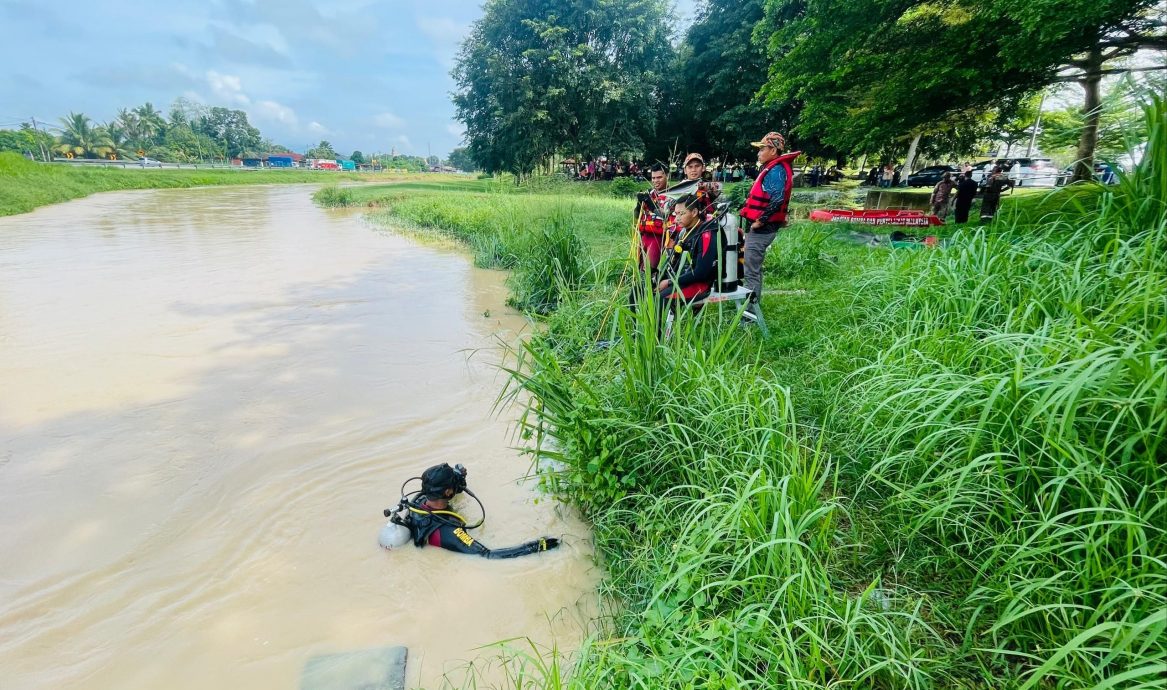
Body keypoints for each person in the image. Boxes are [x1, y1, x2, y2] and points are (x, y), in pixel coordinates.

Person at [383, 463, 560, 559]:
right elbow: (488, 554)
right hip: (443, 530)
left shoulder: (418, 501)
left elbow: (450, 493)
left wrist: (460, 479)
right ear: (447, 492)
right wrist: (536, 546)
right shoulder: (450, 531)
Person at [739, 131, 800, 302]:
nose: (759, 153)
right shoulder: (774, 168)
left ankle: (749, 314)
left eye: (761, 149)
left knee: (751, 271)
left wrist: (760, 221)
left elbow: (778, 198)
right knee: (754, 268)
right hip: (763, 227)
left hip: (762, 229)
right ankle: (750, 306)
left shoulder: (775, 170)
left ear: (773, 151)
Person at [657, 193, 719, 306]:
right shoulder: (683, 232)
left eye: (681, 214)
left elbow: (701, 272)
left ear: (694, 212)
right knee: (639, 290)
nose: (676, 219)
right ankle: (637, 324)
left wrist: (669, 282)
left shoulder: (706, 235)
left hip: (700, 283)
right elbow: (673, 261)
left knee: (661, 298)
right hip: (681, 277)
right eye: (675, 214)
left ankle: (656, 324)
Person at [634, 163, 670, 279]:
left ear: (667, 176)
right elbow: (636, 216)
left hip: (658, 237)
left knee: (648, 270)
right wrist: (639, 205)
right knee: (639, 267)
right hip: (644, 234)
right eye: (653, 178)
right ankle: (639, 290)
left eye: (659, 177)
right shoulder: (649, 194)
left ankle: (649, 291)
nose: (656, 181)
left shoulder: (673, 195)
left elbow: (668, 216)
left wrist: (651, 205)